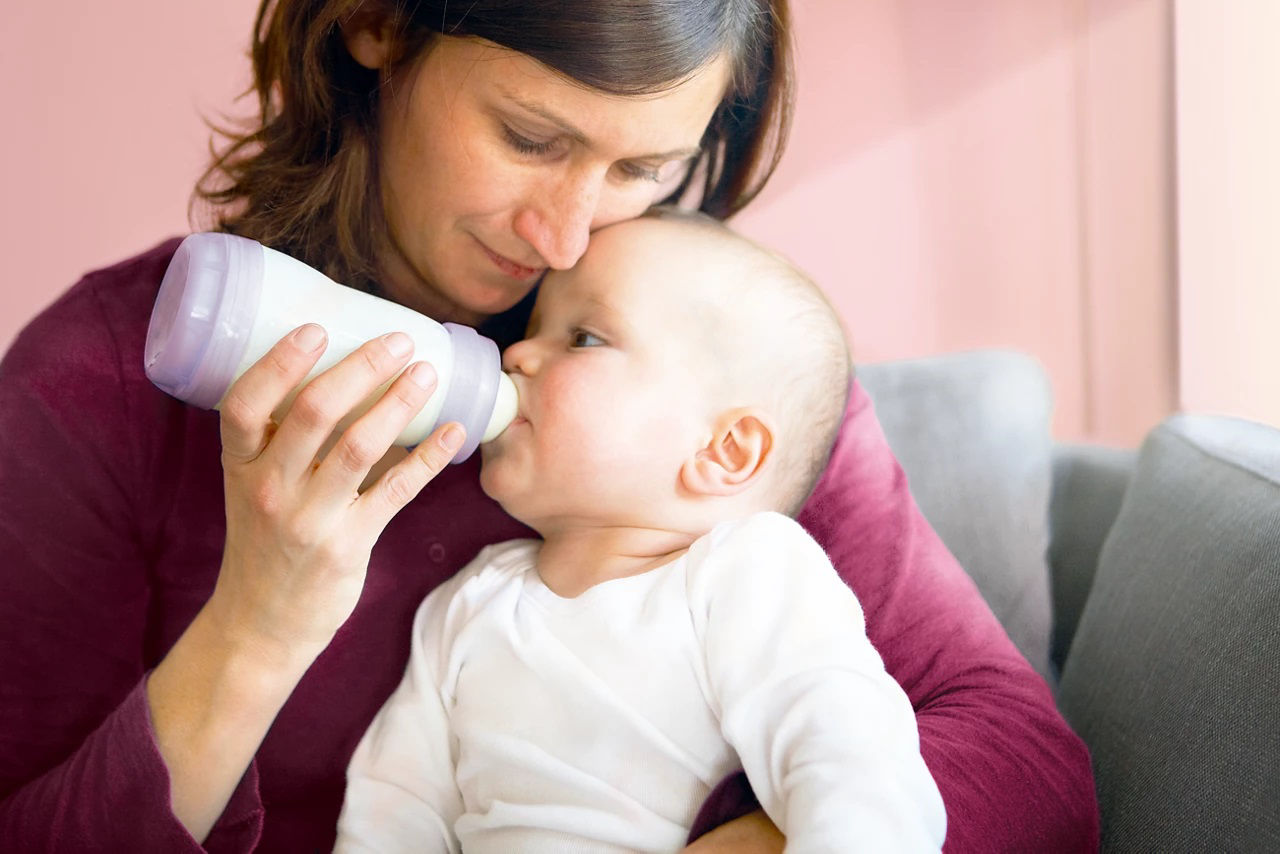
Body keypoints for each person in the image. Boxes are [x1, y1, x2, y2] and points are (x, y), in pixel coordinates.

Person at [0, 1, 1098, 852]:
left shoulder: (698, 378)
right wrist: (257, 623)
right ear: (377, 27)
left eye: (638, 169)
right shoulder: (101, 385)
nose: (565, 236)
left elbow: (1022, 759)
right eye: (531, 137)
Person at [336, 211, 947, 852]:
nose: (517, 353)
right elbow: (393, 814)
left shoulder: (748, 575)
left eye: (585, 338)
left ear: (725, 452)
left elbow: (852, 762)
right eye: (537, 327)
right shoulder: (467, 604)